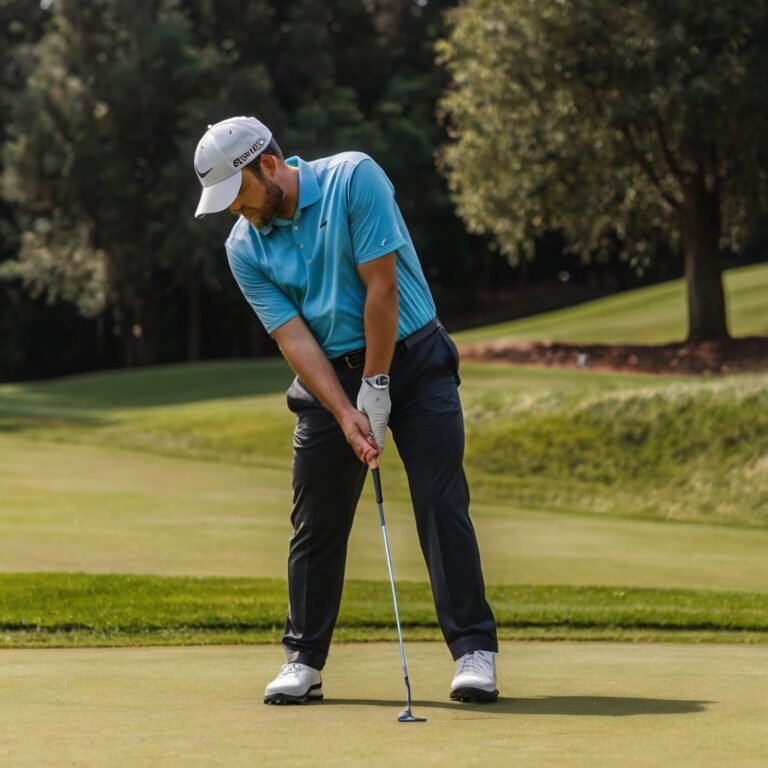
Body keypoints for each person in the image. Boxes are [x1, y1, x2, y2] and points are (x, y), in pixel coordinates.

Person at [193, 116, 498, 705]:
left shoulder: (354, 178)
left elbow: (381, 289)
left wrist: (379, 385)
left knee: (440, 502)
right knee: (316, 519)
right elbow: (292, 337)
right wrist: (343, 408)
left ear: (271, 166)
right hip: (329, 375)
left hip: (414, 358)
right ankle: (302, 660)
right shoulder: (242, 247)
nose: (237, 210)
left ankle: (473, 652)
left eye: (240, 194)